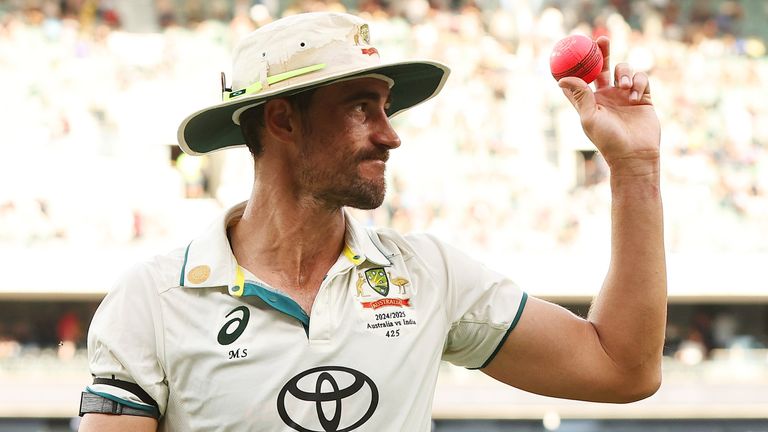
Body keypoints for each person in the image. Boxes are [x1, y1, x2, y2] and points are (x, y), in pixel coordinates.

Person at [77, 11, 666, 432]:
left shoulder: (430, 274)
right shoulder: (150, 300)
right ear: (281, 120)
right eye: (362, 108)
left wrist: (634, 167)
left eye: (386, 109)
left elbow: (623, 369)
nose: (391, 135)